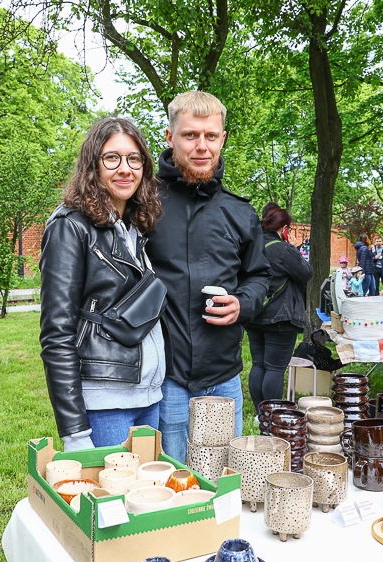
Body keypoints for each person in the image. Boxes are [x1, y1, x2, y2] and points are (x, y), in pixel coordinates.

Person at [145, 91, 270, 462]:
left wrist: (242, 304)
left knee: (223, 484)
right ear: (170, 137)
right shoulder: (143, 203)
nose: (202, 146)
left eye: (210, 136)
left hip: (224, 377)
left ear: (222, 138)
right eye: (190, 135)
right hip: (165, 378)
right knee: (170, 486)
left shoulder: (240, 212)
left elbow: (259, 277)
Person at [39, 117, 165, 450]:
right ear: (93, 165)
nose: (125, 168)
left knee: (143, 500)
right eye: (112, 158)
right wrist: (75, 432)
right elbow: (57, 333)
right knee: (111, 501)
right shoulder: (70, 226)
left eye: (134, 159)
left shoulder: (133, 227)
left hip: (148, 397)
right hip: (105, 405)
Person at [245, 208, 313, 414]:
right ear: (284, 229)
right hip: (280, 318)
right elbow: (306, 273)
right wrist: (294, 247)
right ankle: (272, 413)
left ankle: (260, 413)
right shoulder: (283, 250)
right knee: (274, 368)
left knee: (258, 365)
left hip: (254, 313)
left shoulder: (251, 247)